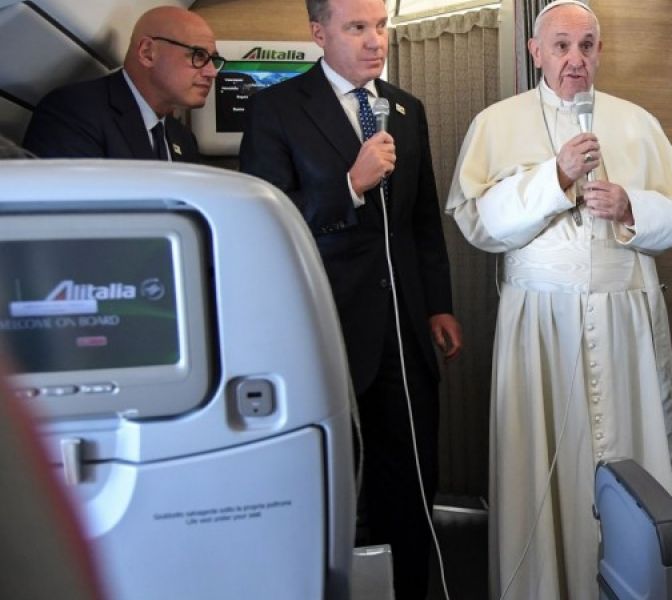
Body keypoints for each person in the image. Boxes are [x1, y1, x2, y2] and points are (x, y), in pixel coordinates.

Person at [444, 1, 672, 597]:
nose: (575, 59)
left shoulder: (637, 121)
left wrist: (632, 206)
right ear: (535, 52)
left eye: (586, 46)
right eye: (560, 46)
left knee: (634, 459)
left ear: (600, 52)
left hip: (624, 320)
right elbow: (475, 222)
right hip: (541, 322)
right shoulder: (496, 122)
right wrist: (553, 179)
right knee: (540, 472)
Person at [238, 0, 463, 596]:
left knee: (413, 478)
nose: (374, 41)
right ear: (319, 33)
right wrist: (349, 186)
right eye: (357, 28)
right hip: (326, 330)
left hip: (404, 327)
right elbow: (270, 224)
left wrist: (437, 304)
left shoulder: (405, 110)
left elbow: (421, 222)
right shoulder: (275, 110)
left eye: (380, 27)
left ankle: (420, 586)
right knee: (333, 480)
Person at [23, 6, 220, 161]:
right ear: (147, 53)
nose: (211, 72)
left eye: (213, 60)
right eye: (198, 55)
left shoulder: (184, 139)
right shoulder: (72, 113)